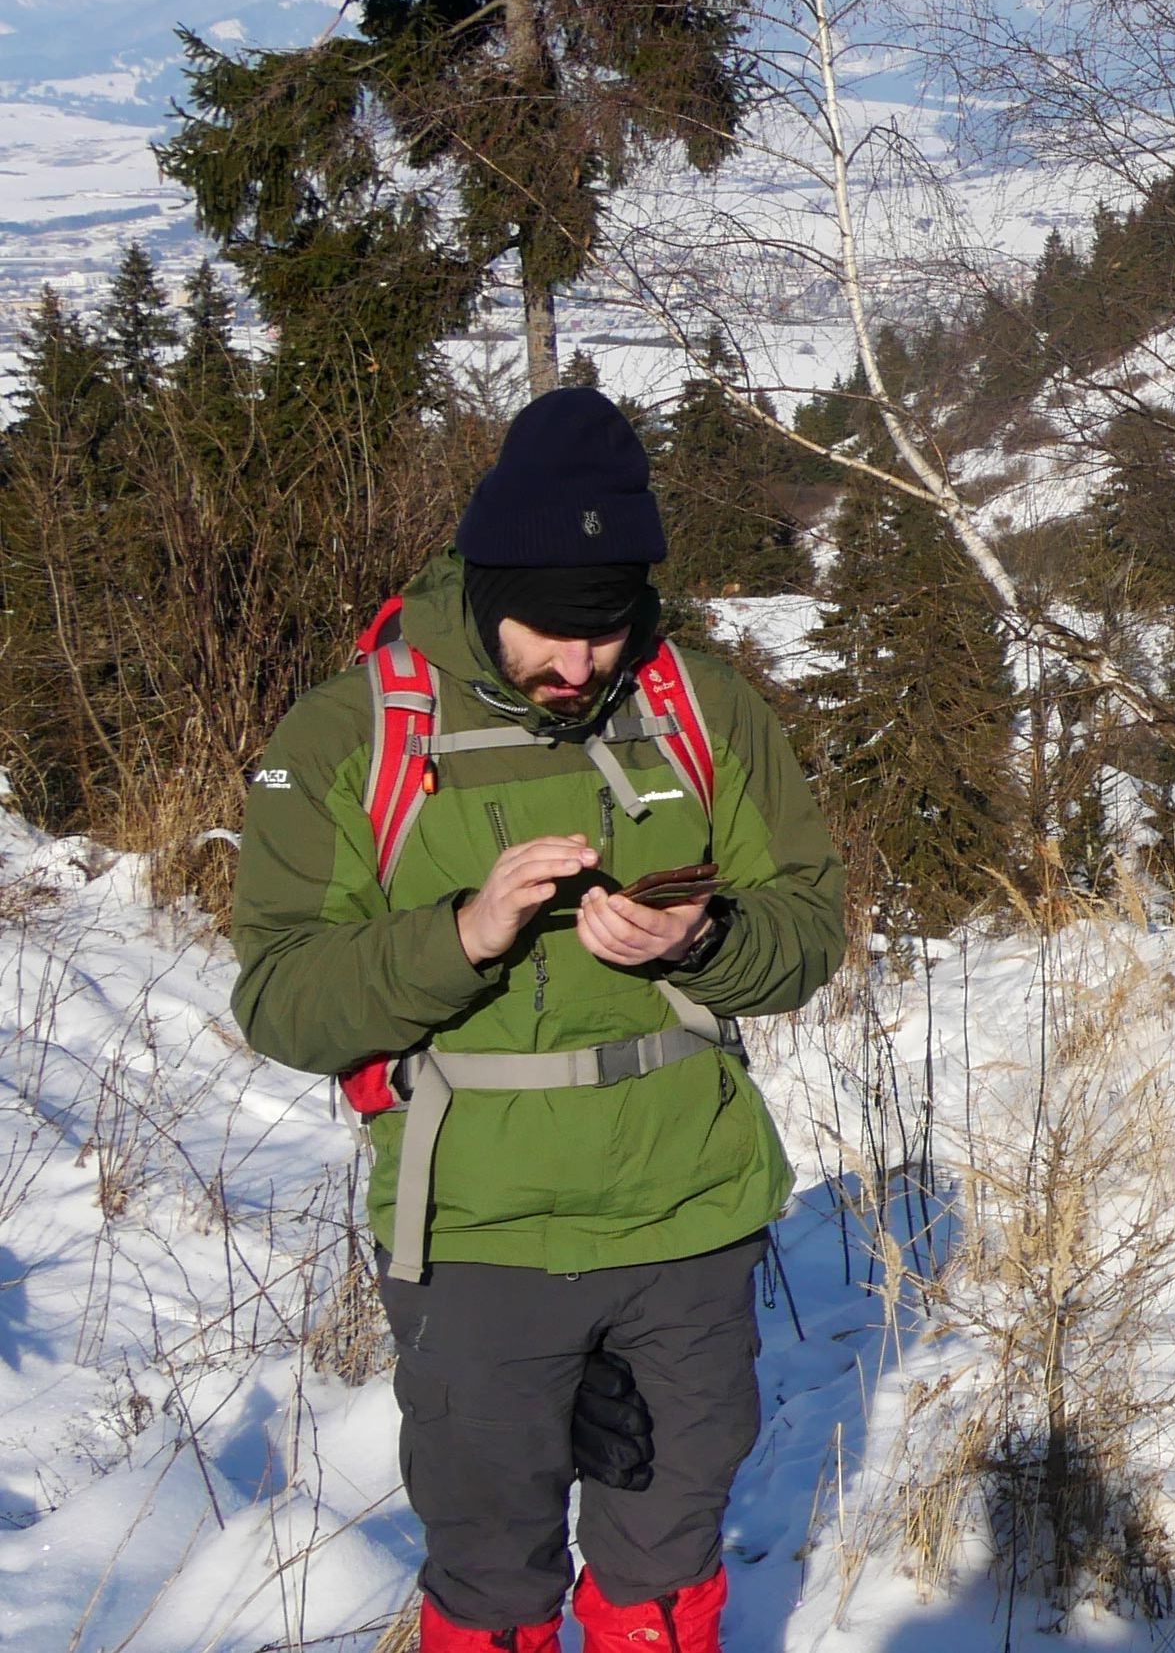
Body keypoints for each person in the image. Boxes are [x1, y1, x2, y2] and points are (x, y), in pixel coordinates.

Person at [232, 388, 847, 1653]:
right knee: (494, 1578)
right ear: (484, 587)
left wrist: (707, 937)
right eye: (548, 638)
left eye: (606, 635)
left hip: (689, 1213)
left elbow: (810, 927)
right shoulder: (358, 728)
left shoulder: (701, 702)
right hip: (475, 1227)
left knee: (667, 1567)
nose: (579, 668)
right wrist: (458, 934)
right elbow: (280, 994)